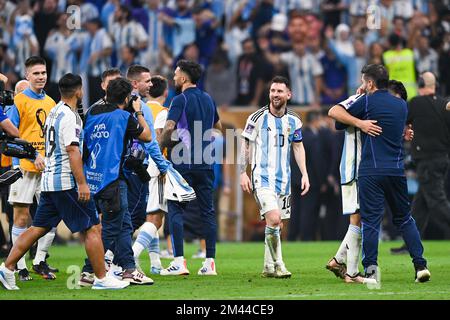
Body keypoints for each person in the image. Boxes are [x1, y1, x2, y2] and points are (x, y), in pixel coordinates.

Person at [0, 73, 130, 291]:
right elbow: (72, 150)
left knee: (38, 227)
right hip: (66, 182)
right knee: (92, 228)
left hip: (50, 181)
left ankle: (7, 268)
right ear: (79, 91)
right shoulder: (70, 117)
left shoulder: (54, 112)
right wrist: (82, 183)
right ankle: (100, 278)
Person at [328, 64, 430, 283]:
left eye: (364, 82)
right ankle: (420, 265)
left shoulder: (366, 101)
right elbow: (404, 127)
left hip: (371, 172)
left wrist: (360, 123)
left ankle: (372, 271)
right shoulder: (402, 105)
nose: (362, 85)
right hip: (396, 171)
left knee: (372, 221)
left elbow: (335, 114)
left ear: (370, 83)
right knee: (405, 219)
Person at [81, 77, 154, 285]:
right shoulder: (123, 117)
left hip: (92, 178)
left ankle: (129, 270)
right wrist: (138, 111)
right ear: (126, 97)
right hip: (113, 179)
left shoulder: (92, 113)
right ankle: (89, 271)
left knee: (124, 225)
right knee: (111, 229)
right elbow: (147, 136)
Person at [240, 76, 310, 278]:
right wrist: (243, 172)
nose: (275, 95)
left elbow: (298, 146)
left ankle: (268, 267)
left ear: (289, 94)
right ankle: (279, 265)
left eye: (279, 91)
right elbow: (245, 146)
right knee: (273, 218)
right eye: (272, 91)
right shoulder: (256, 118)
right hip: (261, 178)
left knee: (277, 224)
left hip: (284, 181)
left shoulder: (294, 120)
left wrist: (304, 173)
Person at [159, 59, 222, 276]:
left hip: (183, 162)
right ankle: (210, 263)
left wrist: (160, 148)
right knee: (207, 211)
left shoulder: (180, 99)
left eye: (176, 74)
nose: (174, 77)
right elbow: (218, 127)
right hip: (205, 163)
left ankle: (179, 262)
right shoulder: (208, 99)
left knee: (176, 209)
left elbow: (169, 128)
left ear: (184, 78)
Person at [6, 56, 57, 281]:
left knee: (51, 217)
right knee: (21, 218)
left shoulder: (51, 103)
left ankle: (40, 261)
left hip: (47, 168)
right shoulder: (19, 101)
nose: (41, 77)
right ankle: (19, 265)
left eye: (43, 73)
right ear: (27, 76)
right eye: (36, 73)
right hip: (24, 168)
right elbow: (10, 135)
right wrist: (20, 162)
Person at [391, 72, 450, 254]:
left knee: (437, 203)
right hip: (442, 159)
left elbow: (402, 119)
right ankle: (410, 243)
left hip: (427, 162)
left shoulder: (416, 103)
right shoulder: (444, 105)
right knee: (420, 207)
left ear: (421, 84)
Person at [125, 66, 169, 275]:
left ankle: (155, 264)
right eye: (147, 81)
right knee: (148, 217)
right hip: (144, 167)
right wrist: (163, 165)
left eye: (152, 82)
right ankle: (123, 260)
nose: (150, 85)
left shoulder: (115, 103)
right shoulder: (150, 110)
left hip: (121, 167)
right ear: (135, 83)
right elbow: (152, 141)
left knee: (146, 216)